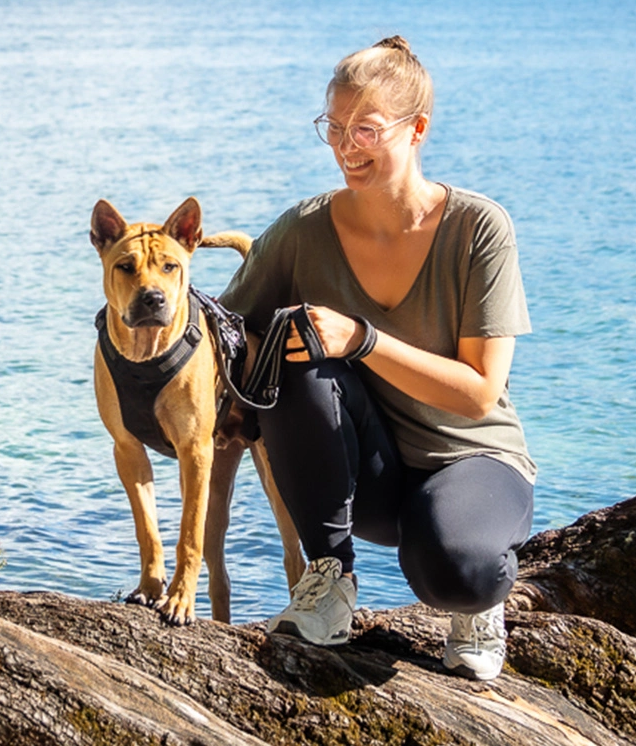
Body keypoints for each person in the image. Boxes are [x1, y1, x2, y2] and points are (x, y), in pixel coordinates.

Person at [220, 35, 535, 681]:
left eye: (364, 129)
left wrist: (364, 339)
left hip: (471, 458)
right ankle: (330, 580)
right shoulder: (302, 230)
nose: (343, 147)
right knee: (291, 340)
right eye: (332, 128)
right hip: (366, 478)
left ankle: (480, 603)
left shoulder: (479, 228)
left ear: (417, 129)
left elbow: (479, 393)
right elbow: (225, 331)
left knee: (459, 573)